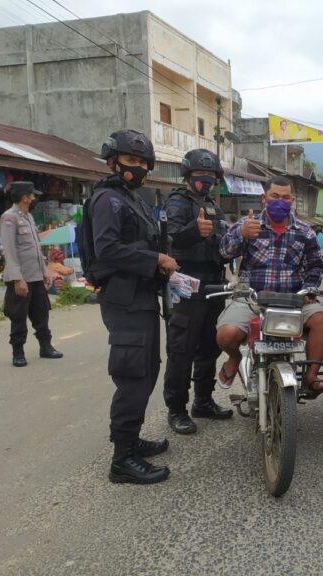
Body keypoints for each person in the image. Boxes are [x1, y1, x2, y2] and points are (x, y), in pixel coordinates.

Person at [91, 129, 177, 484]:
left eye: (143, 162)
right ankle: (122, 460)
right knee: (133, 375)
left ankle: (130, 440)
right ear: (113, 162)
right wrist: (153, 257)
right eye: (131, 161)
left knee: (147, 370)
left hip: (141, 296)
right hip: (123, 298)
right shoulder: (108, 200)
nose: (138, 167)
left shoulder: (132, 198)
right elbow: (106, 249)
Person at [216, 176, 323, 392]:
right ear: (263, 199)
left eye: (286, 198)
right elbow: (223, 253)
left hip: (294, 299)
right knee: (226, 334)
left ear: (292, 200)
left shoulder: (305, 232)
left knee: (320, 318)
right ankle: (234, 358)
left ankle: (310, 377)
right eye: (274, 196)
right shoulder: (247, 224)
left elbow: (316, 265)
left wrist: (310, 288)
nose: (280, 201)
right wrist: (241, 234)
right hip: (252, 300)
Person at [162, 149, 233, 435]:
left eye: (211, 176)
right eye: (200, 176)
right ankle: (177, 409)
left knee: (210, 346)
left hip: (214, 283)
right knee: (182, 349)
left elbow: (224, 241)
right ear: (188, 176)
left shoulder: (214, 206)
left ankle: (203, 401)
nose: (205, 180)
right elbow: (170, 236)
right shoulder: (177, 202)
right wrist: (195, 230)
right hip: (186, 283)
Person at [0, 181, 64, 367]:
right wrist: (18, 279)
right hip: (21, 279)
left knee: (41, 314)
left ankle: (46, 347)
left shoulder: (28, 216)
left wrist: (45, 272)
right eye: (32, 194)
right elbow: (10, 252)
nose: (34, 198)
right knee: (18, 316)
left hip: (36, 276)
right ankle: (18, 352)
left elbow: (35, 248)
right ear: (24, 196)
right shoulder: (9, 218)